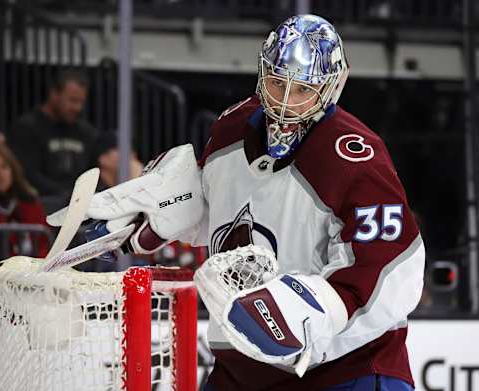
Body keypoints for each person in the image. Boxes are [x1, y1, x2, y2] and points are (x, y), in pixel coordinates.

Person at [50, 14, 425, 390]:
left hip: (345, 370)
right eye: (277, 83)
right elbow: (221, 210)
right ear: (263, 73)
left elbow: (392, 267)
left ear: (330, 88)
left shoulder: (356, 158)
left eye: (302, 90)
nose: (284, 102)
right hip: (242, 366)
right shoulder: (232, 128)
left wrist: (315, 311)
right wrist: (165, 212)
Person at [9, 69, 97, 199]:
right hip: (42, 203)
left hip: (79, 203)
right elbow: (27, 174)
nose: (78, 108)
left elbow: (94, 170)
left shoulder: (86, 132)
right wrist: (67, 194)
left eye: (81, 102)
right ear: (54, 94)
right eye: (72, 100)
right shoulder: (27, 128)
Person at [0, 143, 49, 258]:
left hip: (32, 270)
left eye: (4, 167)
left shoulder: (30, 203)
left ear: (13, 170)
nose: (0, 174)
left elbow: (44, 245)